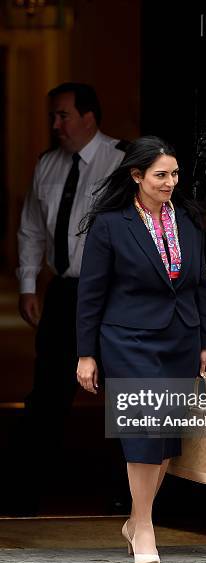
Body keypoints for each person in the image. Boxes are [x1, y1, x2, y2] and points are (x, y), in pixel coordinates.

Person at [76, 135, 206, 563]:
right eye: (161, 175)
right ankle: (145, 526)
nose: (170, 182)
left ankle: (137, 521)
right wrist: (86, 353)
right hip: (128, 340)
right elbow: (91, 293)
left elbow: (197, 288)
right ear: (137, 176)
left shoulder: (188, 219)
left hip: (181, 338)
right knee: (143, 430)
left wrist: (205, 343)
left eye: (175, 174)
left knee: (167, 439)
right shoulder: (111, 224)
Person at [16, 82, 127, 514]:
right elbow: (30, 227)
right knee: (49, 390)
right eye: (52, 116)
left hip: (113, 293)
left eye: (62, 115)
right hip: (64, 292)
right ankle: (34, 486)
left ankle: (128, 491)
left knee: (122, 389)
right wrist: (28, 284)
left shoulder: (123, 161)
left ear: (89, 118)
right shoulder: (47, 164)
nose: (55, 124)